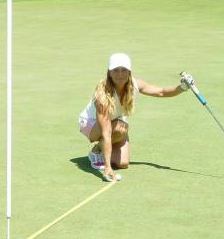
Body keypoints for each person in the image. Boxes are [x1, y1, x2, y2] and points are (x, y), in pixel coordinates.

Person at [78, 53, 194, 181]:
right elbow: (106, 132)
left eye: (124, 70)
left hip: (115, 123)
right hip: (91, 125)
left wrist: (182, 87)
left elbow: (161, 92)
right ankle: (96, 150)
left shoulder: (135, 84)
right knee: (121, 128)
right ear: (109, 73)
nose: (120, 74)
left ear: (129, 72)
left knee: (122, 163)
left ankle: (101, 150)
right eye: (116, 70)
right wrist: (107, 167)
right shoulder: (102, 96)